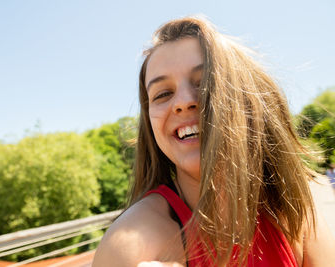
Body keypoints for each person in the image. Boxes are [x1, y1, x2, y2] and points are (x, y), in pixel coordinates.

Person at [92, 16, 335, 267]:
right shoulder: (132, 244)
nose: (183, 101)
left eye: (206, 82)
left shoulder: (293, 215)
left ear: (247, 101)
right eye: (163, 94)